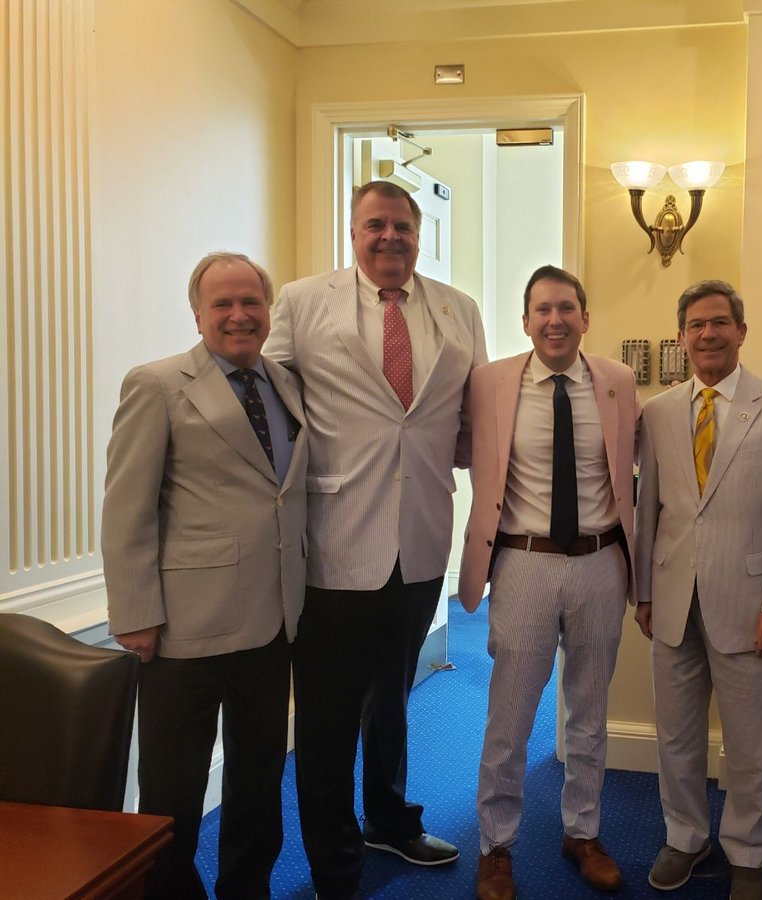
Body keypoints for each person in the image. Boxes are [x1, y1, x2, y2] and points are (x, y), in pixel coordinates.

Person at [264, 180, 488, 899]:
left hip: (421, 537)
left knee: (394, 691)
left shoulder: (459, 310)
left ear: (419, 234)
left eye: (402, 226)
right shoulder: (302, 303)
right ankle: (334, 862)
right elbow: (265, 400)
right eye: (375, 225)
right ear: (353, 231)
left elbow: (474, 412)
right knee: (327, 714)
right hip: (334, 538)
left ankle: (390, 818)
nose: (390, 237)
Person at [102, 252, 307, 898]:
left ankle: (247, 889)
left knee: (257, 780)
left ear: (268, 311)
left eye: (251, 302)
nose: (240, 315)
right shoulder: (157, 384)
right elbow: (126, 506)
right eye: (223, 304)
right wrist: (135, 613)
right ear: (198, 313)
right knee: (173, 792)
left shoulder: (286, 383)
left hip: (273, 623)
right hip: (183, 629)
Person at [633, 280, 762, 900]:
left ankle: (748, 853)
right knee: (677, 735)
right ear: (682, 335)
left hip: (753, 606)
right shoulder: (659, 411)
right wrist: (643, 591)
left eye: (719, 322)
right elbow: (649, 509)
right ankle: (685, 837)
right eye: (695, 324)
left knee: (752, 744)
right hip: (672, 602)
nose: (707, 334)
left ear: (741, 331)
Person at [458, 265, 639, 900]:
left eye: (567, 308)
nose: (555, 320)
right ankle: (495, 846)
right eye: (542, 310)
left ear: (585, 318)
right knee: (509, 715)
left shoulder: (618, 383)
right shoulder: (489, 383)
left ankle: (582, 832)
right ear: (526, 320)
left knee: (588, 711)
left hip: (600, 562)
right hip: (523, 560)